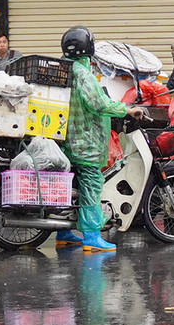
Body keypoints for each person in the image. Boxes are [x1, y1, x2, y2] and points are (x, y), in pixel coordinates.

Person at [59, 26, 143, 253]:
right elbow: (99, 104)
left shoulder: (65, 69)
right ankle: (92, 237)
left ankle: (63, 232)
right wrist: (126, 110)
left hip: (69, 139)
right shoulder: (82, 73)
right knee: (90, 186)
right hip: (85, 142)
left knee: (71, 185)